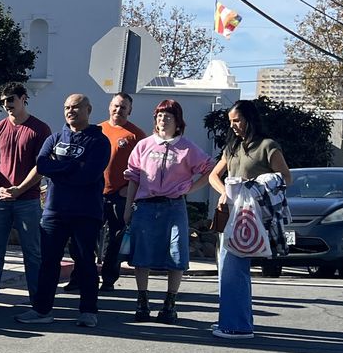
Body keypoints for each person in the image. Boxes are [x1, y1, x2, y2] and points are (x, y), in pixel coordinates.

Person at [17, 94, 111, 327]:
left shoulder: (99, 141)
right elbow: (42, 165)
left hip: (86, 212)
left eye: (76, 107)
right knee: (49, 262)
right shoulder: (55, 138)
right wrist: (73, 165)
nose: (70, 111)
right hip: (54, 211)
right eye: (67, 107)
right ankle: (41, 311)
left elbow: (88, 175)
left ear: (88, 109)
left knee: (85, 261)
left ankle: (88, 311)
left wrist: (58, 168)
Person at [121, 99, 213, 324]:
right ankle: (142, 302)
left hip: (173, 207)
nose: (163, 120)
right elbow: (133, 177)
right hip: (145, 206)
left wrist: (190, 188)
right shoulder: (144, 145)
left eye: (168, 116)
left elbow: (210, 168)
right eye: (159, 116)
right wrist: (128, 208)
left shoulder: (187, 148)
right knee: (141, 254)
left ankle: (170, 304)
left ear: (178, 121)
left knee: (176, 252)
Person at [207, 100, 292, 339]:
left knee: (234, 268)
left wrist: (257, 186)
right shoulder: (233, 147)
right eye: (230, 121)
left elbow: (286, 178)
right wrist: (224, 192)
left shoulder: (267, 146)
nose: (233, 125)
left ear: (249, 119)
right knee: (227, 269)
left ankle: (238, 326)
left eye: (237, 120)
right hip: (230, 213)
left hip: (251, 216)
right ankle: (230, 320)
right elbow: (214, 175)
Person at [0, 83, 51, 311]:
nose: (7, 105)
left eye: (11, 99)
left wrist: (20, 189)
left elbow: (41, 165)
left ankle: (38, 301)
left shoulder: (39, 129)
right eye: (4, 101)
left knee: (32, 253)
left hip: (28, 200)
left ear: (23, 98)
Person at [98, 93, 148, 292]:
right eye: (116, 106)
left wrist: (131, 188)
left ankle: (108, 279)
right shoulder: (98, 130)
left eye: (123, 107)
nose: (118, 110)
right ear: (109, 106)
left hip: (119, 196)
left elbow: (146, 168)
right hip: (95, 193)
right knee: (86, 235)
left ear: (130, 111)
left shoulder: (136, 135)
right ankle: (81, 277)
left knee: (115, 238)